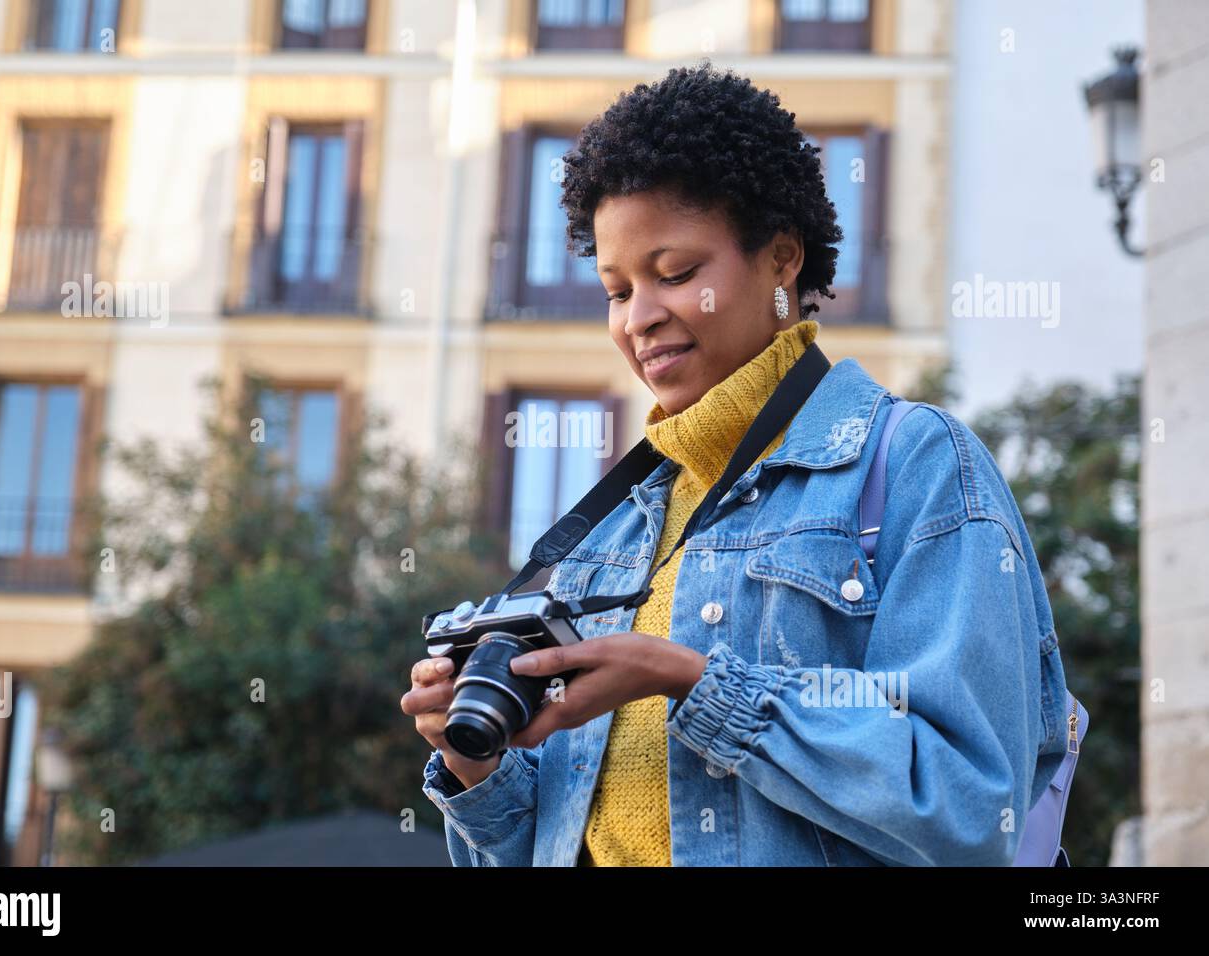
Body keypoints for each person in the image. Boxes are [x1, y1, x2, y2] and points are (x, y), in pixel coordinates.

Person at [401, 60, 1070, 866]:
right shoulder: (600, 537)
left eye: (675, 274)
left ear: (783, 259)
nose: (639, 319)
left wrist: (689, 681)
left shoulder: (918, 465)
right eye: (616, 291)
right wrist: (477, 764)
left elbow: (971, 805)